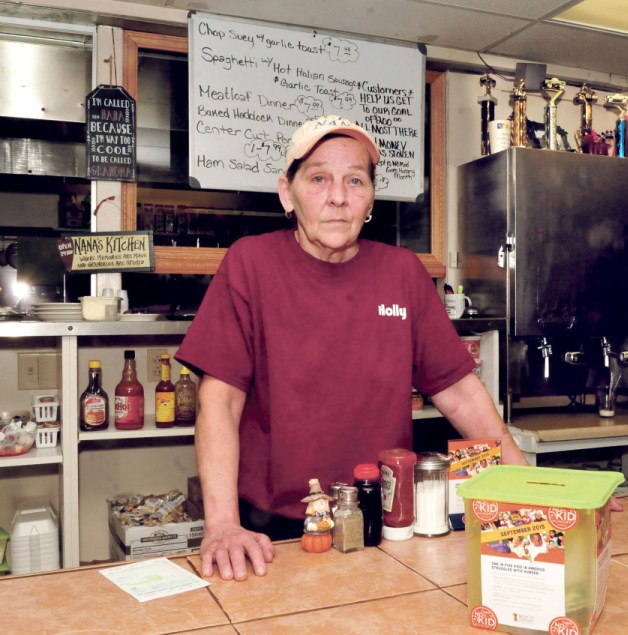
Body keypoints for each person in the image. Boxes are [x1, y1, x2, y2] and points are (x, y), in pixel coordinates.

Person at [175, 114, 528, 582]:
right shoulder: (250, 263)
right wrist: (221, 525)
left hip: (387, 520)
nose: (338, 197)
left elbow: (460, 392)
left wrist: (531, 489)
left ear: (370, 200)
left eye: (354, 181)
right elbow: (219, 400)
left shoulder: (403, 272)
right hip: (273, 531)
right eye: (319, 178)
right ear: (288, 193)